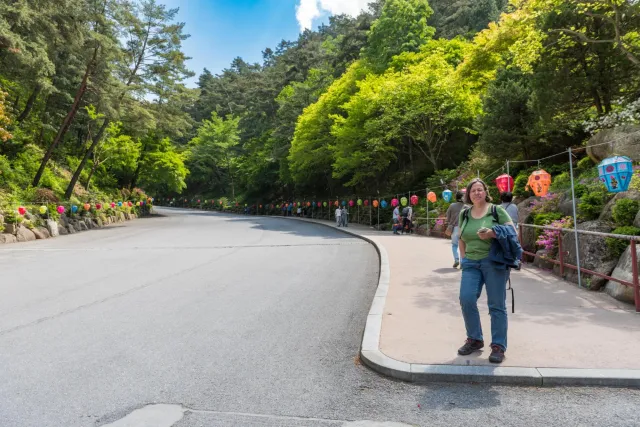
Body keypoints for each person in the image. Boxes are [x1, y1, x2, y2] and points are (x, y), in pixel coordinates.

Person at [457, 178, 514, 364]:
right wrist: (464, 258)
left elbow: (512, 232)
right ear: (469, 194)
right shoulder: (464, 214)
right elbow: (461, 238)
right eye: (473, 191)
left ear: (485, 191)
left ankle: (498, 346)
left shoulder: (497, 211)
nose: (477, 193)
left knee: (496, 304)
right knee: (466, 298)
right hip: (471, 263)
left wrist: (492, 233)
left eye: (480, 190)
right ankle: (475, 338)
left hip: (494, 262)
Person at [445, 191, 466, 268]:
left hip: (454, 228)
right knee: (463, 246)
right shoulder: (466, 206)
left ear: (456, 197)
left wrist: (449, 222)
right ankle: (462, 262)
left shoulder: (452, 205)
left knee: (454, 245)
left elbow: (448, 216)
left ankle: (456, 259)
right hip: (463, 228)